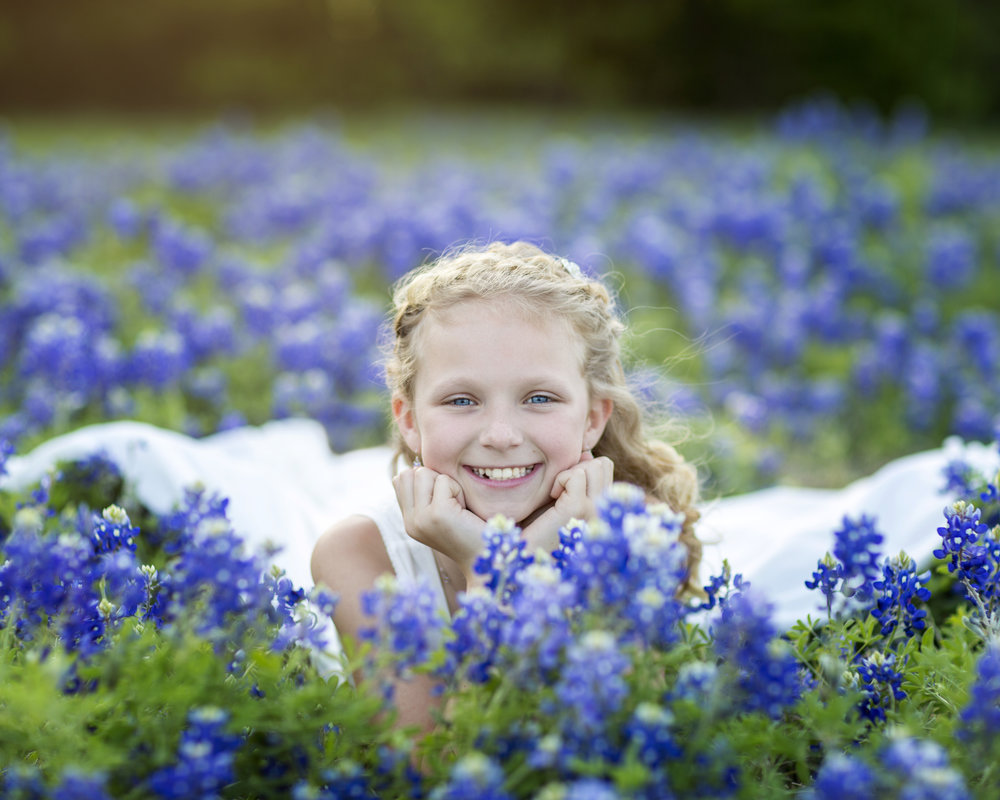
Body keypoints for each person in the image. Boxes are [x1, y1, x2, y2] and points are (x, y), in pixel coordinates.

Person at [309, 240, 703, 731]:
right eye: (461, 400)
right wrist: (492, 571)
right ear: (408, 419)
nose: (500, 436)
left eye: (539, 397)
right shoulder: (359, 553)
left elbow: (626, 743)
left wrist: (518, 558)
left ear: (592, 418)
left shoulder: (631, 529)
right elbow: (432, 773)